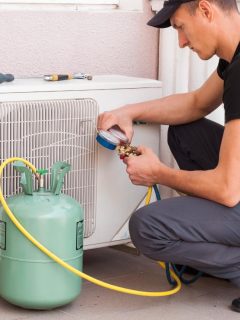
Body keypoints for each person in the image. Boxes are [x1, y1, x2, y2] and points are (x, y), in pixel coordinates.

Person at [97, 0, 240, 312]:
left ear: (206, 10)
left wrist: (158, 173)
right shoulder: (234, 60)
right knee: (184, 131)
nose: (181, 42)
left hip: (234, 188)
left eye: (180, 28)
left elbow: (228, 190)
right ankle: (220, 241)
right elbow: (196, 103)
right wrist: (128, 112)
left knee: (147, 227)